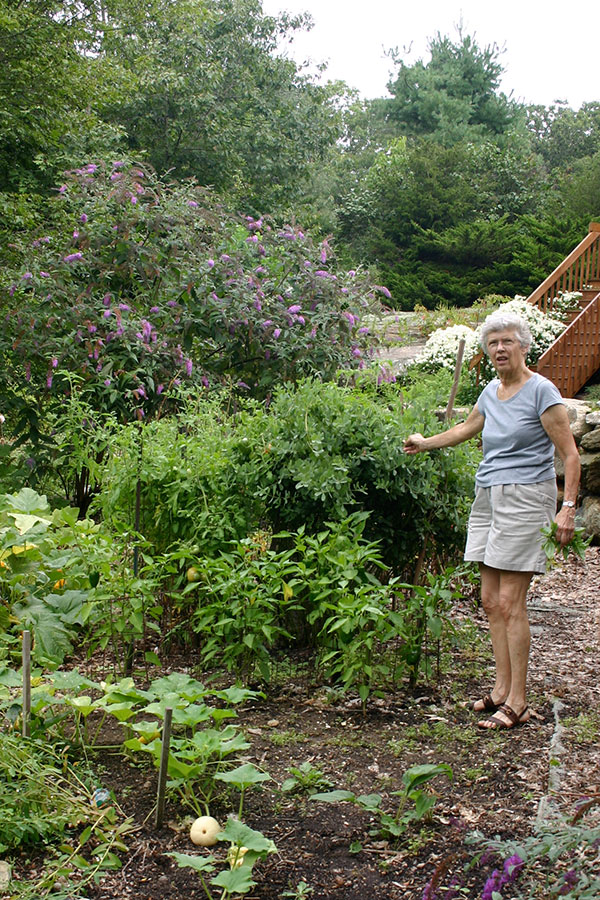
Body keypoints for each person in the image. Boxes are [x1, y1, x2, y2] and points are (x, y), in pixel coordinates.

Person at [403, 310, 581, 729]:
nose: (499, 348)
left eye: (507, 341)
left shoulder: (542, 391)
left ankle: (517, 701)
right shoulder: (490, 392)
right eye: (493, 343)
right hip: (488, 496)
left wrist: (567, 508)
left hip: (525, 498)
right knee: (489, 602)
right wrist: (425, 442)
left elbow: (570, 455)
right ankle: (500, 690)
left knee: (509, 602)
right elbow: (467, 429)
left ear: (523, 346)